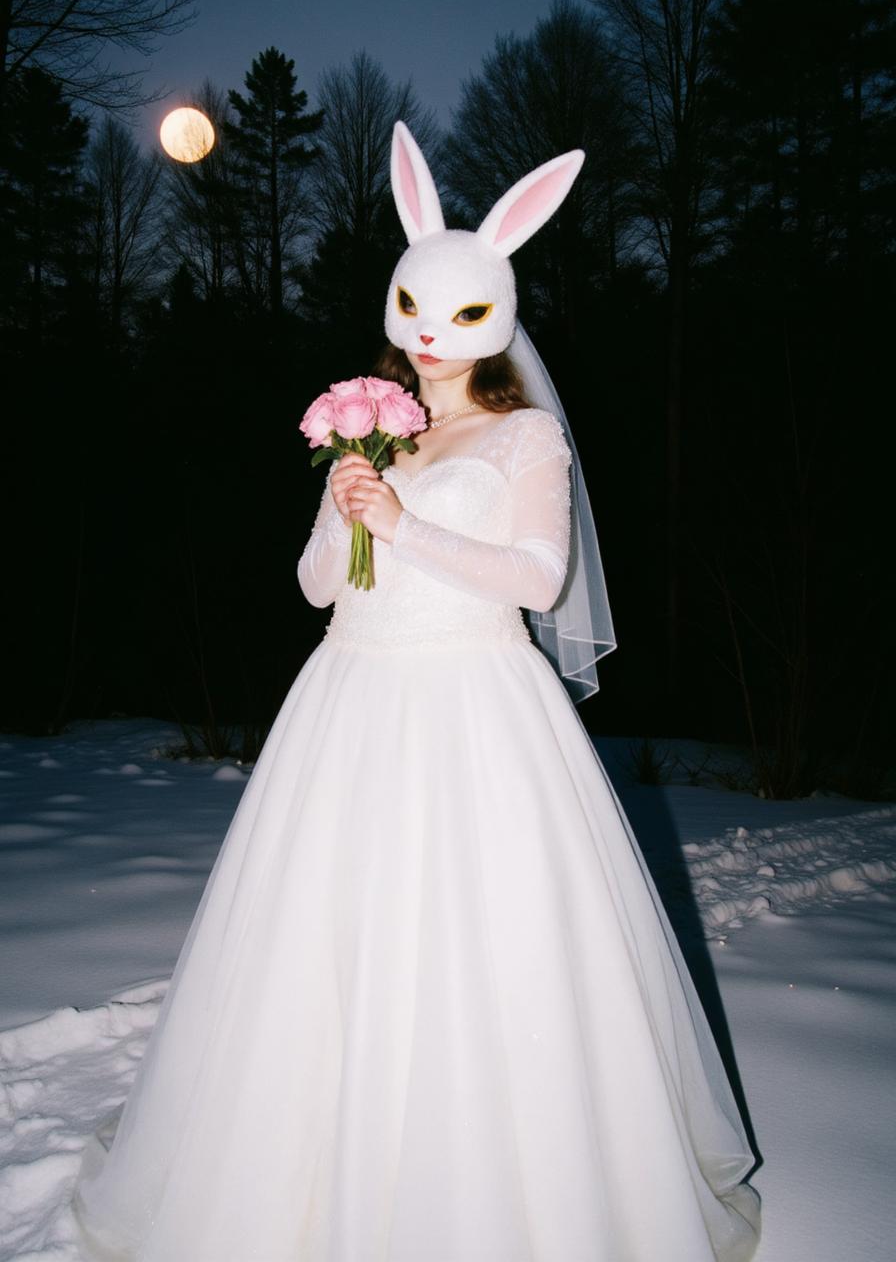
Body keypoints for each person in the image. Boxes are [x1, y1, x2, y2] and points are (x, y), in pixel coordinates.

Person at [71, 123, 761, 1261]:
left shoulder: (525, 434)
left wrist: (406, 529)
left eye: (457, 314)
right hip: (349, 703)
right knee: (319, 950)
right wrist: (344, 505)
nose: (430, 338)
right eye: (414, 310)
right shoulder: (373, 423)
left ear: (496, 311)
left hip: (475, 710)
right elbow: (310, 589)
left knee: (482, 957)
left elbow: (539, 578)